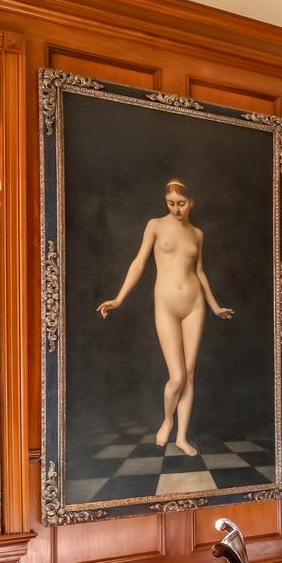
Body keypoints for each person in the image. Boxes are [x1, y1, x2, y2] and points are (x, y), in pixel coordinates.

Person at [99, 179, 233, 455]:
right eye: (171, 203)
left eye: (181, 203)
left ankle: (182, 437)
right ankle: (168, 419)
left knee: (190, 373)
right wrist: (119, 298)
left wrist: (214, 306)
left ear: (191, 202)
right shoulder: (155, 226)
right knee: (177, 376)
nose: (176, 209)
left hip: (195, 304)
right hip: (166, 305)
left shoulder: (197, 234)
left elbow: (199, 271)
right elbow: (139, 262)